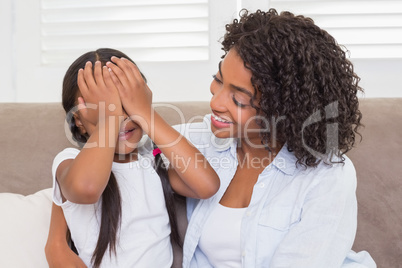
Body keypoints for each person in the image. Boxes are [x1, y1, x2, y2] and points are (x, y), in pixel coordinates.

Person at [178, 8, 376, 267]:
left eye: (237, 98)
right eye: (218, 79)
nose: (215, 102)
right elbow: (139, 139)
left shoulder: (328, 175)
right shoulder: (205, 138)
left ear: (283, 108)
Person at [44, 48, 219, 268]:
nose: (121, 117)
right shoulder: (68, 160)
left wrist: (146, 114)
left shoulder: (153, 161)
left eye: (126, 105)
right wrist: (111, 117)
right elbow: (86, 188)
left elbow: (207, 185)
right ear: (78, 120)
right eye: (104, 108)